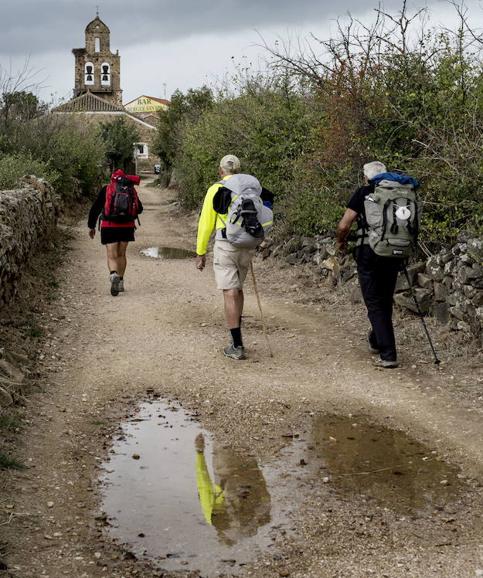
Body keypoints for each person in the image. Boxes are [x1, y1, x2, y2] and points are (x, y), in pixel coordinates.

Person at [195, 155, 273, 361]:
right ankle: (236, 337)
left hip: (225, 244)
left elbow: (206, 223)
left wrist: (200, 251)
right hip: (247, 245)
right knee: (237, 289)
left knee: (229, 291)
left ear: (221, 170)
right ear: (239, 170)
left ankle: (236, 344)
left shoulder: (217, 189)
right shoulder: (251, 189)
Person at [335, 161, 402, 368]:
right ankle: (376, 339)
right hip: (394, 251)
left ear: (366, 177)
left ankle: (388, 354)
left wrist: (340, 241)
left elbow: (345, 224)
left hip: (370, 252)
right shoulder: (399, 192)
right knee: (385, 298)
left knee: (373, 301)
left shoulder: (364, 192)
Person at [88, 169, 143, 296]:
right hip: (127, 227)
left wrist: (91, 226)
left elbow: (95, 208)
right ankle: (121, 282)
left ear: (112, 178)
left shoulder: (107, 189)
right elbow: (139, 209)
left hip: (109, 226)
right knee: (121, 254)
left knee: (112, 255)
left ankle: (113, 275)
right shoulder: (130, 189)